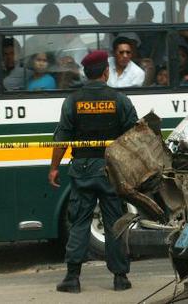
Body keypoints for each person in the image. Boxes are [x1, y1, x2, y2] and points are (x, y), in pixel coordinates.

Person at [48, 50, 138, 293]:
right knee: (114, 223)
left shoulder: (73, 100)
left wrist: (54, 168)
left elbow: (62, 138)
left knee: (79, 222)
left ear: (86, 73)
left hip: (83, 170)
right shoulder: (120, 100)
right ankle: (120, 278)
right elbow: (134, 138)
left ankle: (72, 278)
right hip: (112, 170)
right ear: (106, 72)